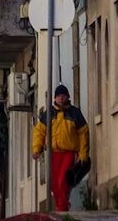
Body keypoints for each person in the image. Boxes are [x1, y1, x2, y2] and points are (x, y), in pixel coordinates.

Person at [31, 83, 89, 211]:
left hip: (68, 153)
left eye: (63, 95)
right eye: (58, 96)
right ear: (55, 98)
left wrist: (83, 154)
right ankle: (61, 205)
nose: (61, 98)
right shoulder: (48, 114)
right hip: (53, 153)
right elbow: (39, 132)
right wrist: (37, 149)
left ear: (68, 97)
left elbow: (84, 134)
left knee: (62, 181)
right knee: (53, 183)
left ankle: (62, 208)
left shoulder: (75, 113)